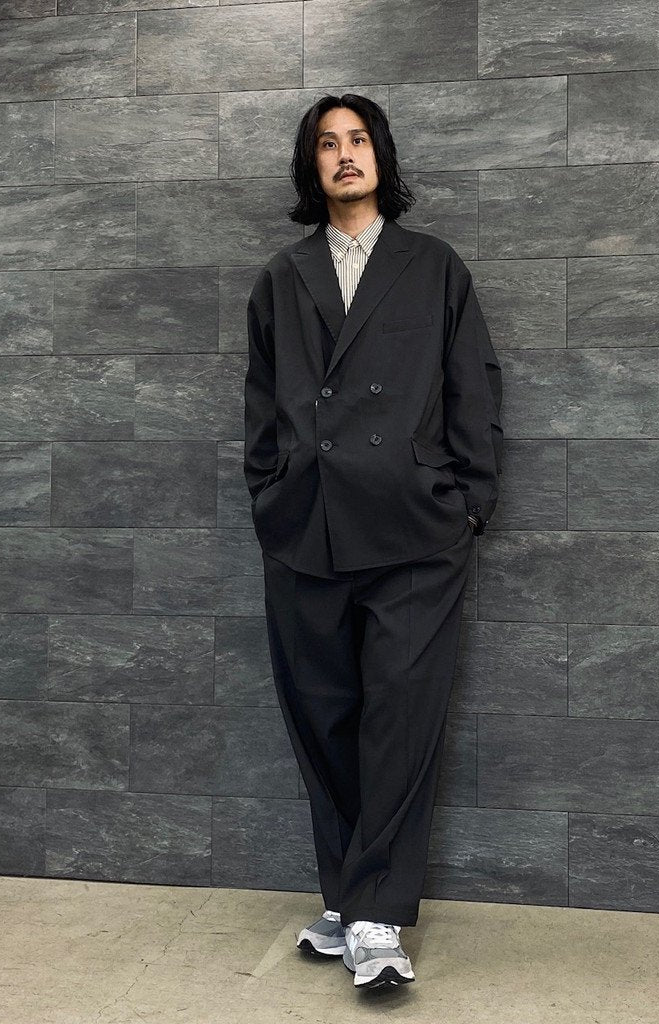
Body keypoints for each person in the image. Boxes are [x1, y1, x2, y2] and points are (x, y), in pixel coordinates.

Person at [243, 93, 504, 989]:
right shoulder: (283, 276)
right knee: (323, 718)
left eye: (358, 140)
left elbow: (474, 387)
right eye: (328, 143)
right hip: (306, 526)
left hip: (412, 528)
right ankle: (351, 897)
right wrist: (269, 494)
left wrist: (469, 504)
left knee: (400, 719)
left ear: (381, 157)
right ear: (311, 166)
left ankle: (376, 917)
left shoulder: (434, 267)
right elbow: (260, 402)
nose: (345, 154)